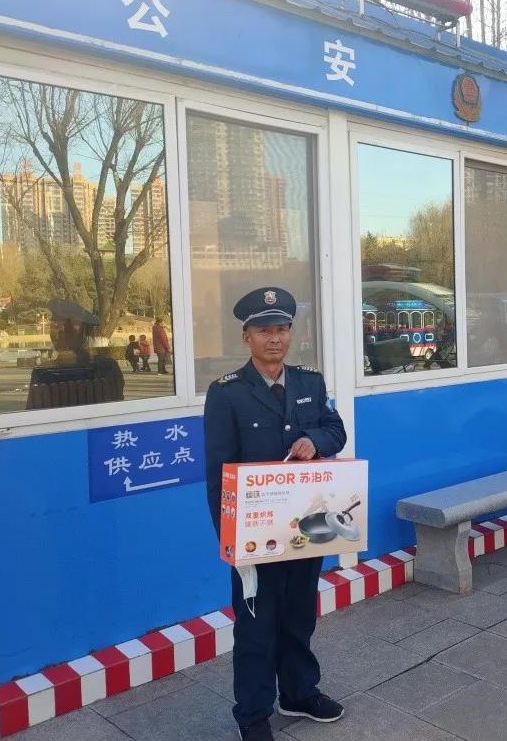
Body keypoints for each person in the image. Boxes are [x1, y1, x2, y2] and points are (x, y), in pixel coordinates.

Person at [204, 287, 347, 741]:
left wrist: (315, 441)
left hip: (306, 527)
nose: (275, 339)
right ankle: (252, 714)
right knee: (256, 625)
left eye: (282, 329)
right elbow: (218, 474)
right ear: (246, 336)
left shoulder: (309, 383)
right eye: (264, 330)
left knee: (299, 615)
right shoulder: (226, 393)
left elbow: (335, 430)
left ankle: (299, 693)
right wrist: (231, 540)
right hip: (255, 533)